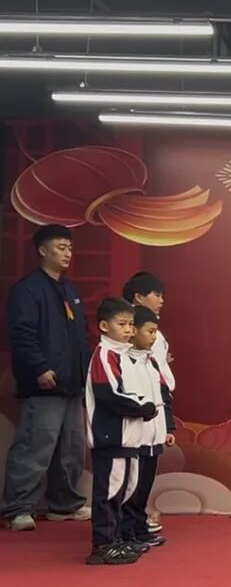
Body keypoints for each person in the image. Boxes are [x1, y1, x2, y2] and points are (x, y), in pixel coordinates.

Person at [3, 224, 91, 531]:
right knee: (34, 446)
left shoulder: (70, 289)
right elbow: (21, 334)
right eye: (61, 247)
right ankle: (17, 509)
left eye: (70, 248)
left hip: (73, 383)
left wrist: (84, 373)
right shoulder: (27, 289)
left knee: (72, 448)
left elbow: (82, 336)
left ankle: (64, 505)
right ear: (43, 250)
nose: (68, 253)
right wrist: (40, 368)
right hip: (43, 383)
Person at [85, 298, 158, 565]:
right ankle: (103, 545)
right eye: (122, 324)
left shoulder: (122, 355)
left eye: (131, 325)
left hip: (129, 438)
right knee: (109, 492)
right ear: (104, 326)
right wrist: (142, 407)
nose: (128, 330)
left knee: (124, 491)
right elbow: (109, 393)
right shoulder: (104, 354)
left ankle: (116, 539)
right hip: (112, 437)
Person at [118, 306, 174, 550]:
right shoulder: (122, 360)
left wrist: (168, 427)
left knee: (144, 487)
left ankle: (139, 529)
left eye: (155, 332)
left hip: (154, 435)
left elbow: (164, 395)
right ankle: (126, 533)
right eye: (150, 331)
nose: (153, 337)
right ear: (134, 331)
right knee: (131, 487)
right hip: (134, 436)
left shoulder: (151, 361)